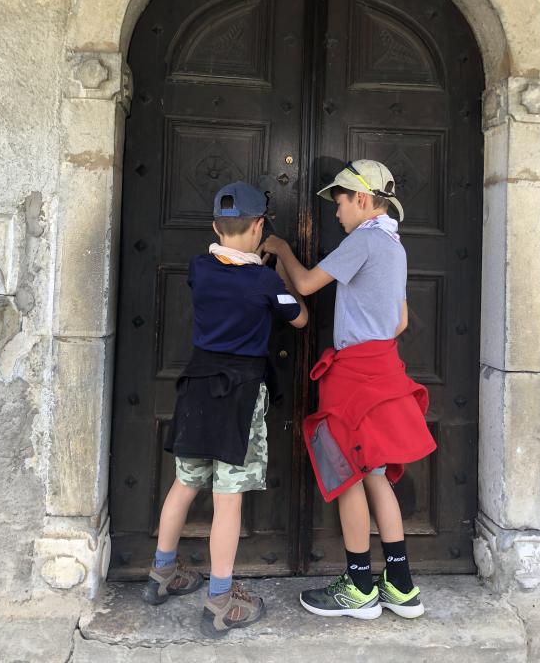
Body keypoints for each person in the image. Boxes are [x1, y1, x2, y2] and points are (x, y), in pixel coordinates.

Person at [261, 159, 436, 620]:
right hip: (384, 367)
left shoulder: (363, 240)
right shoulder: (394, 245)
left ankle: (359, 587)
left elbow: (305, 283)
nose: (336, 213)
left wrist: (280, 246)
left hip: (353, 376)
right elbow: (400, 321)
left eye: (339, 202)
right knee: (375, 474)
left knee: (348, 477)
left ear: (361, 198)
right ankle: (401, 587)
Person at [144, 181, 308, 638]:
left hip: (197, 390)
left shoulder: (199, 267)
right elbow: (299, 318)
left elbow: (223, 269)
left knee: (183, 484)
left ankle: (161, 572)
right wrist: (278, 267)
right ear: (260, 227)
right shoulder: (264, 281)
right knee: (227, 500)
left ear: (215, 227)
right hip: (240, 395)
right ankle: (220, 599)